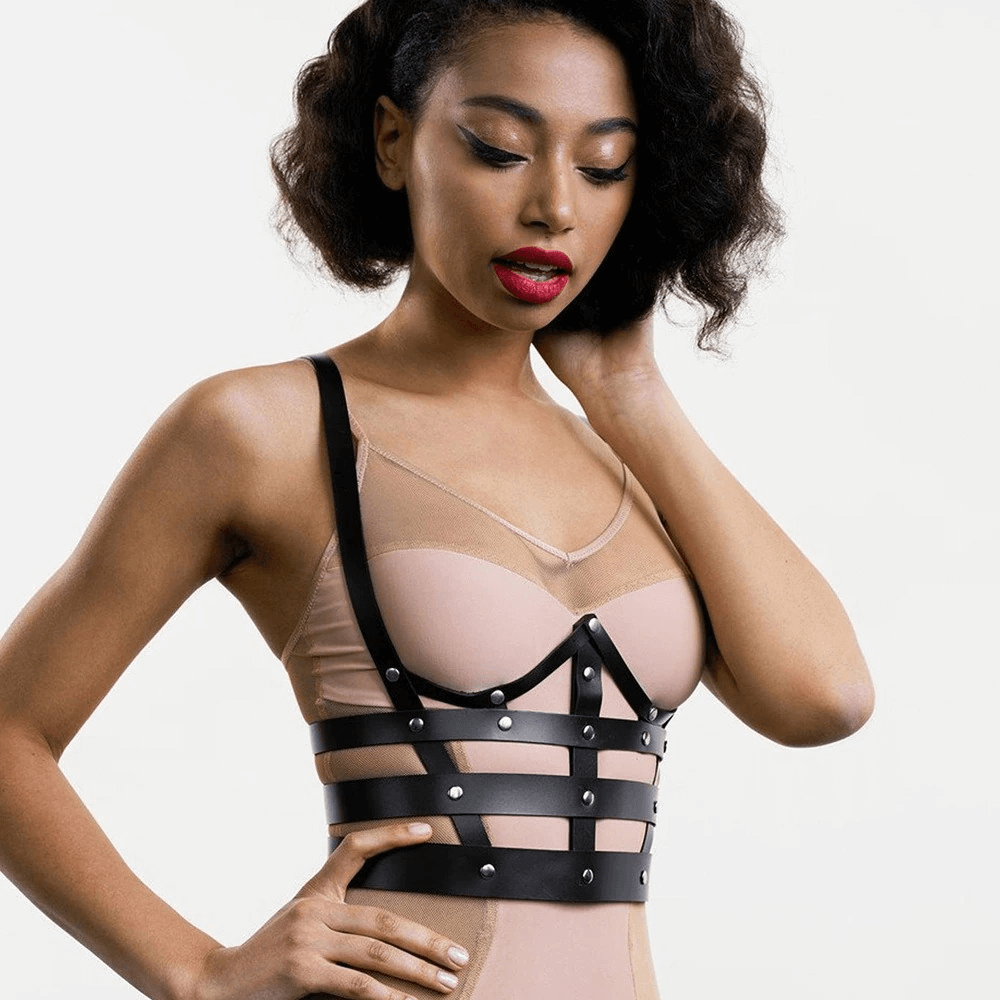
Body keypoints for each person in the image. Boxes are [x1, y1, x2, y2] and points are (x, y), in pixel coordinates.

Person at [0, 1, 875, 998]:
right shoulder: (262, 430)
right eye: (499, 149)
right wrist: (197, 972)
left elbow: (824, 698)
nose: (554, 206)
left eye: (604, 166)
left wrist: (630, 391)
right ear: (391, 140)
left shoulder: (629, 455)